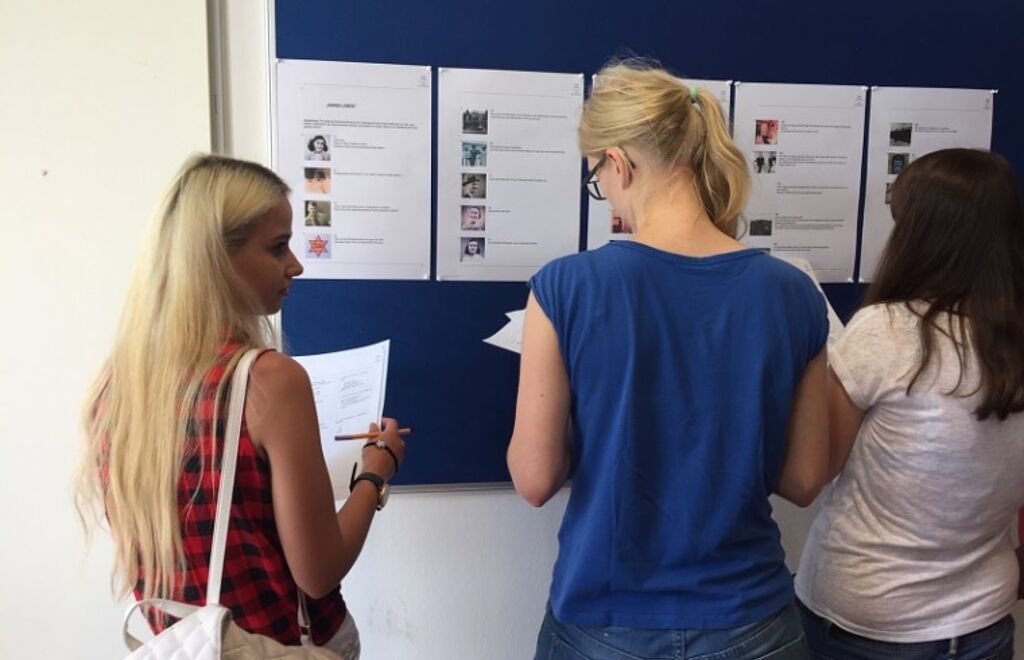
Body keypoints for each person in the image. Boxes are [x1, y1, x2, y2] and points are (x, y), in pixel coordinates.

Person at [508, 59, 828, 660]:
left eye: (596, 177)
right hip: (753, 621)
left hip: (604, 619)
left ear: (619, 163)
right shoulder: (793, 292)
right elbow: (805, 479)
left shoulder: (565, 288)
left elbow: (534, 478)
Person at [74, 155, 407, 658]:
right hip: (276, 644)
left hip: (183, 646)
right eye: (278, 247)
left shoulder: (117, 383)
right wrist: (376, 474)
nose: (296, 264)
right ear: (215, 259)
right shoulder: (269, 380)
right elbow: (317, 573)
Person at [795, 148, 1024, 660]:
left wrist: (809, 361)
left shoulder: (890, 331)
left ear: (922, 235)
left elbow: (813, 471)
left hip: (867, 620)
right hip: (983, 619)